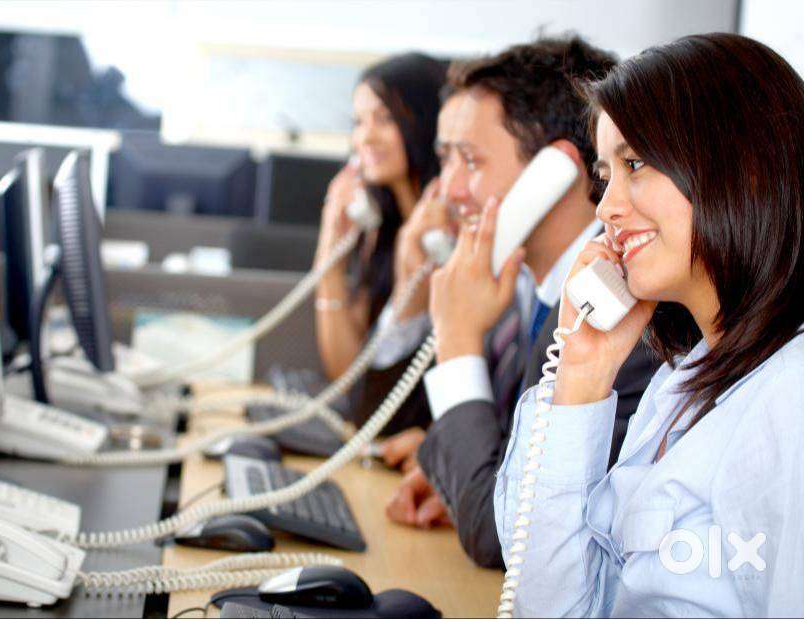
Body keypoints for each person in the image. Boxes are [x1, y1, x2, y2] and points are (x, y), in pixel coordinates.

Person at [494, 33, 803, 616]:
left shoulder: (790, 399)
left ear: (742, 170)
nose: (606, 207)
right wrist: (582, 375)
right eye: (605, 173)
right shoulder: (681, 383)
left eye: (634, 164)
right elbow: (549, 606)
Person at [380, 38, 660, 567]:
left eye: (470, 160)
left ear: (554, 173)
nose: (448, 190)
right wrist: (459, 479)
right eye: (445, 160)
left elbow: (500, 537)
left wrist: (458, 342)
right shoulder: (528, 291)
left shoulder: (620, 313)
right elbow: (504, 470)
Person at [313, 52, 445, 433]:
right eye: (359, 122)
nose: (365, 137)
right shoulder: (384, 229)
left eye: (384, 119)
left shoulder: (445, 236)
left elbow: (375, 404)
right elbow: (346, 375)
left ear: (426, 123)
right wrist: (330, 258)